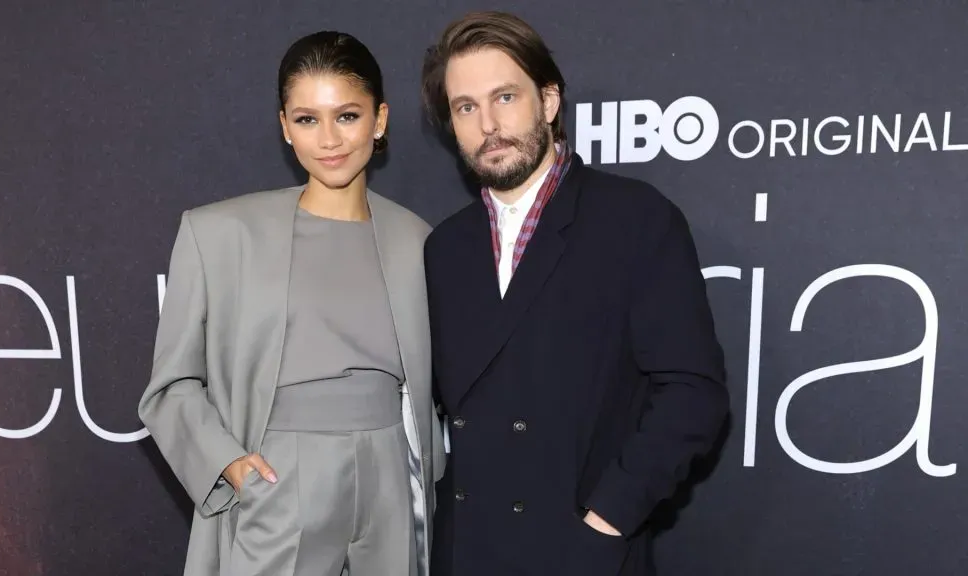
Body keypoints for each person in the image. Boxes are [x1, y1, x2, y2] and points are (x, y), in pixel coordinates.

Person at [420, 11, 729, 576]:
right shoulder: (443, 248)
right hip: (467, 552)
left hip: (582, 552)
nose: (488, 123)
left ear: (549, 99)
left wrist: (607, 518)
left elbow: (692, 392)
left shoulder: (635, 219)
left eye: (505, 97)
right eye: (466, 107)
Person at [139, 30, 444, 576]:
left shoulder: (419, 240)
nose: (328, 139)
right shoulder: (219, 233)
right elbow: (171, 386)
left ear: (380, 119)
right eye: (307, 119)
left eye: (347, 116)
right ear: (285, 127)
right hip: (279, 477)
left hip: (394, 476)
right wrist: (231, 466)